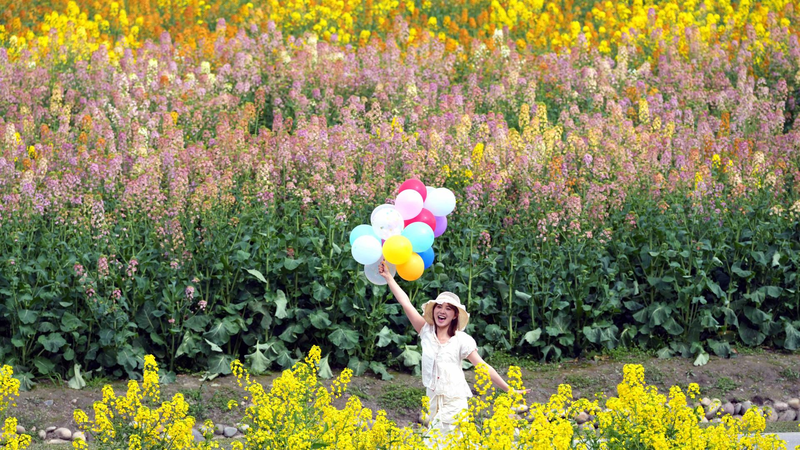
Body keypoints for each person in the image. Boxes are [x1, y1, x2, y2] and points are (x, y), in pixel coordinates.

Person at [378, 260, 529, 441]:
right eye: (439, 307)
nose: (442, 311)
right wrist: (388, 277)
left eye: (448, 308)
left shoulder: (462, 340)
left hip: (454, 401)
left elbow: (482, 366)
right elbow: (406, 303)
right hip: (433, 400)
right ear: (433, 311)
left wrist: (508, 389)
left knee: (432, 443)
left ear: (455, 315)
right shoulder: (425, 331)